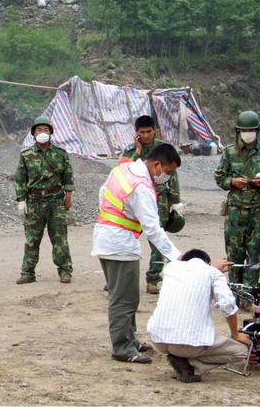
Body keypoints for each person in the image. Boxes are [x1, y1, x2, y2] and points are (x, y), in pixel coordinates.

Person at [92, 143, 187, 364]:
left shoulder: (124, 168)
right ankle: (123, 348)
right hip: (120, 245)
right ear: (156, 165)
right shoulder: (142, 186)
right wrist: (177, 256)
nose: (167, 177)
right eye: (168, 172)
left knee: (127, 296)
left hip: (107, 237)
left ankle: (130, 339)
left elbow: (102, 192)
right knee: (123, 300)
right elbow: (153, 228)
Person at [147, 249, 250, 382]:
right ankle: (191, 365)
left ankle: (180, 358)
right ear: (207, 262)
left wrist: (212, 267)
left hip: (158, 340)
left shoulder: (170, 268)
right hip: (188, 345)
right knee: (241, 351)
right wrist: (235, 334)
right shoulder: (213, 273)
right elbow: (227, 305)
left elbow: (185, 265)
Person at [215, 111, 260, 288]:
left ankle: (249, 292)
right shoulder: (229, 152)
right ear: (238, 131)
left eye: (251, 130)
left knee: (254, 253)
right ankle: (235, 290)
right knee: (234, 254)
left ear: (257, 131)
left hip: (258, 210)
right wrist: (233, 181)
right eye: (244, 130)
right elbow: (220, 178)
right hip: (235, 210)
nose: (247, 133)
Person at [121, 115, 184, 294]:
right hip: (134, 201)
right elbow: (124, 169)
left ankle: (153, 279)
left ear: (154, 130)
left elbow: (173, 175)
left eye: (149, 131)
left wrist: (176, 202)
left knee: (157, 239)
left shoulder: (163, 149)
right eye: (142, 132)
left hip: (159, 200)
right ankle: (119, 277)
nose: (146, 135)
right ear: (137, 133)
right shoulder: (131, 150)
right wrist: (138, 151)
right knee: (127, 238)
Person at [14, 116, 74, 284]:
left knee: (59, 237)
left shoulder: (60, 154)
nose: (42, 133)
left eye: (46, 130)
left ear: (51, 133)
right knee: (32, 238)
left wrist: (68, 196)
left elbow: (68, 177)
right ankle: (28, 272)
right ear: (33, 133)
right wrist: (21, 200)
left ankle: (65, 271)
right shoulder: (26, 155)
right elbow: (20, 179)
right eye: (39, 130)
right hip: (34, 201)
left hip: (56, 200)